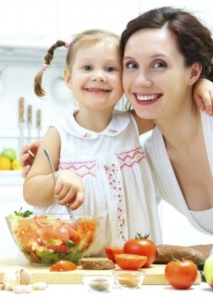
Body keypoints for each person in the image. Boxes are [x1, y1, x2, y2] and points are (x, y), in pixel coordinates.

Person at [23, 29, 162, 256]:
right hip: (73, 258)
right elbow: (30, 191)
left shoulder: (135, 123)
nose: (99, 76)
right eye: (87, 68)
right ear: (68, 78)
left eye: (110, 69)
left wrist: (203, 84)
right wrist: (58, 178)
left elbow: (175, 103)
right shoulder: (59, 133)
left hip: (132, 258)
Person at [119, 6, 213, 257]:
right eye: (131, 65)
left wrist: (177, 253)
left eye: (159, 64)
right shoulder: (150, 158)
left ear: (193, 72)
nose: (140, 81)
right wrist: (57, 152)